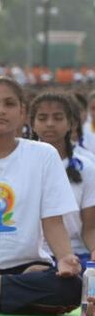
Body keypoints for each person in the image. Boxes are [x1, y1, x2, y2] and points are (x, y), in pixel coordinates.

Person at [0, 79, 83, 314]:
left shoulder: (43, 155)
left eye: (9, 104)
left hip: (26, 268)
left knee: (71, 287)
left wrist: (64, 257)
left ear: (22, 112)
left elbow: (53, 221)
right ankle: (16, 297)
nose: (1, 110)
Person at [30, 93, 95, 268]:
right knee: (35, 274)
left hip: (75, 252)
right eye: (42, 118)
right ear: (32, 124)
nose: (50, 123)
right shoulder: (20, 165)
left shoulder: (86, 167)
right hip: (33, 254)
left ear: (71, 124)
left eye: (58, 118)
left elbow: (90, 228)